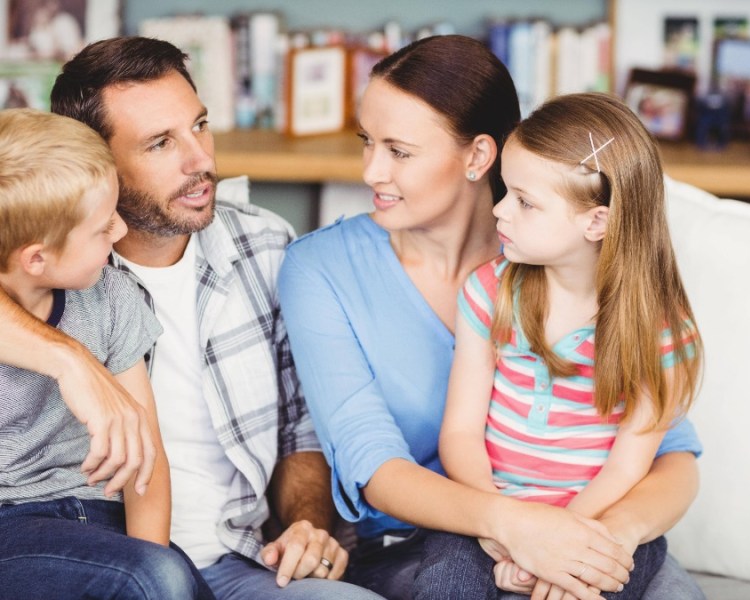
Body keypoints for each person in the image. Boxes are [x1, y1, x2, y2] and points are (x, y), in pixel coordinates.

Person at [278, 35, 705, 600]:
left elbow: (668, 457)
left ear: (479, 156)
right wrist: (515, 529)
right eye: (367, 142)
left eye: (399, 151)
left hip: (594, 527)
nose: (371, 172)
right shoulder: (319, 268)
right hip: (424, 542)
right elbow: (373, 466)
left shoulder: (558, 260)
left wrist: (596, 540)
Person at [0, 36, 381, 600]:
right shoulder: (61, 262)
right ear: (95, 160)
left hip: (238, 561)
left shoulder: (266, 245)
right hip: (77, 552)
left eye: (199, 125)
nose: (201, 159)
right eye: (160, 143)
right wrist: (71, 360)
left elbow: (302, 425)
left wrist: (309, 524)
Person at [415, 92, 703, 600]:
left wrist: (560, 540)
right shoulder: (489, 291)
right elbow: (459, 433)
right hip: (491, 510)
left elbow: (628, 467)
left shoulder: (661, 331)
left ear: (596, 222)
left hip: (598, 519)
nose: (500, 211)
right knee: (444, 585)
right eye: (507, 190)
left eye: (526, 201)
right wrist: (503, 533)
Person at [0, 108, 213, 599]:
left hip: (106, 522)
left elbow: (146, 458)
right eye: (101, 228)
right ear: (36, 258)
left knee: (166, 578)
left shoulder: (111, 298)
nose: (120, 232)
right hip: (13, 529)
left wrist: (154, 559)